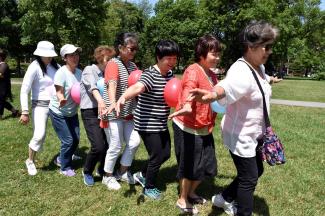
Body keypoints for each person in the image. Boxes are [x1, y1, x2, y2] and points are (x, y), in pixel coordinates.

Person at [189, 21, 279, 216]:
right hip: (240, 135)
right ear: (250, 46)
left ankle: (223, 198)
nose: (269, 51)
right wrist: (211, 95)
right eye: (267, 46)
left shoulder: (259, 67)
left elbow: (259, 83)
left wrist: (271, 79)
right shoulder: (240, 70)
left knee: (256, 171)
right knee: (249, 178)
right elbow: (227, 86)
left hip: (254, 132)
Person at [115, 39, 180, 199]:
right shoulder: (150, 74)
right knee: (157, 156)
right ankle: (149, 186)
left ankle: (141, 174)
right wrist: (123, 97)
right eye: (168, 58)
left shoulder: (169, 74)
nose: (172, 62)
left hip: (160, 121)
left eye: (174, 58)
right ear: (158, 57)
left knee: (165, 154)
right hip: (147, 123)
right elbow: (138, 86)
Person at [168, 35, 221, 214]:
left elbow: (217, 95)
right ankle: (182, 199)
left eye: (218, 54)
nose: (217, 57)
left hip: (204, 127)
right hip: (188, 126)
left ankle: (191, 192)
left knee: (208, 165)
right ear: (202, 54)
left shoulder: (212, 74)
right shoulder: (193, 70)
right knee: (188, 165)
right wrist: (187, 105)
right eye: (214, 54)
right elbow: (189, 89)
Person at [101, 32, 141, 190]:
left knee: (134, 142)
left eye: (135, 49)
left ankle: (121, 172)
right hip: (114, 112)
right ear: (120, 48)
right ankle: (107, 176)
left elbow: (137, 86)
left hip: (129, 112)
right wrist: (113, 103)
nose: (133, 52)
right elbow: (112, 85)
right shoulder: (113, 63)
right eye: (131, 48)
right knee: (116, 145)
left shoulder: (133, 66)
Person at [19, 41, 59, 176]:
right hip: (40, 105)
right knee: (39, 134)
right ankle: (30, 161)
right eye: (47, 55)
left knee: (67, 132)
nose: (50, 57)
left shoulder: (56, 66)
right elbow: (24, 90)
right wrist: (25, 111)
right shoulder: (34, 67)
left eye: (51, 55)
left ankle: (67, 155)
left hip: (56, 104)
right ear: (40, 54)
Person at [80, 46, 115, 186]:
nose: (111, 62)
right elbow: (93, 87)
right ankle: (87, 171)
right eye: (109, 59)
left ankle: (102, 169)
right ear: (100, 58)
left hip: (104, 111)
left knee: (109, 143)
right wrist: (100, 100)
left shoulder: (108, 72)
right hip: (90, 111)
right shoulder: (90, 70)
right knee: (98, 146)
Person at [49, 44, 82, 177]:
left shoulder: (80, 73)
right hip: (58, 111)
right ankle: (65, 167)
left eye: (76, 54)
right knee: (68, 140)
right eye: (71, 55)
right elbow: (59, 91)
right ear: (64, 58)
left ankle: (62, 157)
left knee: (76, 138)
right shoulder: (61, 73)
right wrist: (62, 99)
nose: (75, 57)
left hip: (72, 112)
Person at [0, 48, 20, 120]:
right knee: (3, 102)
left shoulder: (4, 65)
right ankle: (15, 111)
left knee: (1, 102)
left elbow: (1, 75)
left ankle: (0, 116)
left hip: (3, 88)